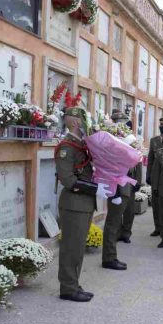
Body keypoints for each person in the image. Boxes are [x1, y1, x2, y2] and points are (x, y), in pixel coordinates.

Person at [55, 106, 113, 302]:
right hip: (74, 204)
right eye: (83, 119)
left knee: (78, 247)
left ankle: (73, 284)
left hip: (83, 204)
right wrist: (93, 189)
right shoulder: (66, 147)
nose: (85, 123)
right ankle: (68, 288)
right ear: (74, 121)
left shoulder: (81, 145)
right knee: (71, 247)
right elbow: (68, 179)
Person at [100, 113, 142, 270]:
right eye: (120, 123)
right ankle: (109, 258)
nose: (123, 126)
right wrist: (116, 192)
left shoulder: (125, 143)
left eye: (124, 124)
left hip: (126, 186)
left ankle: (111, 256)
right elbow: (111, 168)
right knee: (113, 223)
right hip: (118, 188)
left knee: (114, 221)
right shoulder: (112, 144)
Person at [146, 117, 163, 237]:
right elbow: (150, 159)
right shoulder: (154, 140)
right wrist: (148, 175)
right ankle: (158, 228)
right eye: (162, 124)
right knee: (156, 204)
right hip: (156, 177)